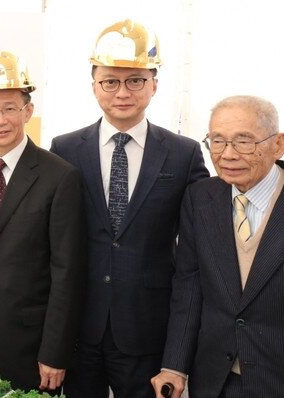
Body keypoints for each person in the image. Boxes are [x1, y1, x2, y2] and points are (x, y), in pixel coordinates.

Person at [50, 20, 208, 398]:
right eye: (110, 82)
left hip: (148, 329)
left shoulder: (183, 153)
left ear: (154, 84)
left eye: (135, 80)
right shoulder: (65, 150)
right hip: (80, 328)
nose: (122, 92)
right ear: (94, 86)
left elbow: (200, 246)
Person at [0, 50, 86, 392]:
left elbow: (67, 273)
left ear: (27, 111)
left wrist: (55, 352)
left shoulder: (59, 177)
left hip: (28, 345)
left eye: (9, 109)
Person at [151, 96, 284, 398]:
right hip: (216, 379)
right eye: (218, 141)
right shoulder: (199, 198)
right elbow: (190, 286)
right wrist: (174, 366)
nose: (228, 155)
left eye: (244, 142)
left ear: (278, 144)